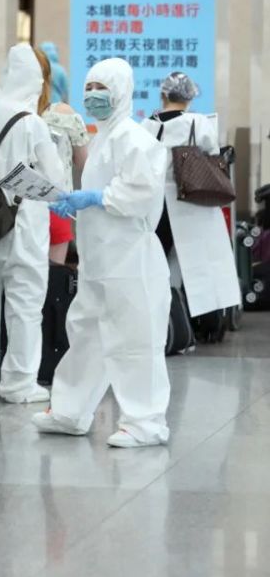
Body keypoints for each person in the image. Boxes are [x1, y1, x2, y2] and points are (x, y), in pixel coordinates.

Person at [34, 58, 172, 448]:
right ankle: (70, 410)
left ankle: (145, 423)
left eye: (102, 89)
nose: (93, 96)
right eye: (89, 88)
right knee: (86, 333)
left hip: (130, 259)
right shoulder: (102, 139)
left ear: (122, 92)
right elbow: (102, 194)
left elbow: (141, 193)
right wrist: (77, 201)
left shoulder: (135, 138)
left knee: (135, 339)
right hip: (99, 258)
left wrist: (96, 197)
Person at [0, 44, 66, 403]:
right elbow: (56, 179)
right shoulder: (31, 123)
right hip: (23, 228)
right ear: (35, 81)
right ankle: (19, 383)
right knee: (24, 306)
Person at [141, 72, 241, 317]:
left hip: (156, 203)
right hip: (192, 200)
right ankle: (189, 316)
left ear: (163, 94)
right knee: (195, 260)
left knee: (158, 258)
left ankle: (163, 314)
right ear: (190, 97)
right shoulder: (198, 122)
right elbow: (212, 153)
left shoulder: (148, 124)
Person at [34, 47, 91, 263]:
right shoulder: (65, 114)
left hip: (16, 212)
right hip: (56, 207)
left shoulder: (10, 116)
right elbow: (84, 162)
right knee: (54, 276)